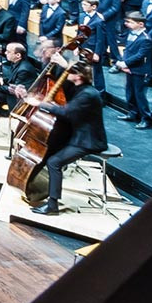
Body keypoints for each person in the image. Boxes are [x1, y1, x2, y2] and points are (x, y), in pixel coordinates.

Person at [23, 70, 107, 216]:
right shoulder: (83, 90)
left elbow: (66, 112)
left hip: (88, 141)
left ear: (78, 76)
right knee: (51, 153)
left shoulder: (87, 94)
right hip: (79, 136)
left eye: (71, 72)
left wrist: (40, 104)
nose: (67, 74)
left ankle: (52, 206)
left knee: (54, 162)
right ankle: (38, 191)